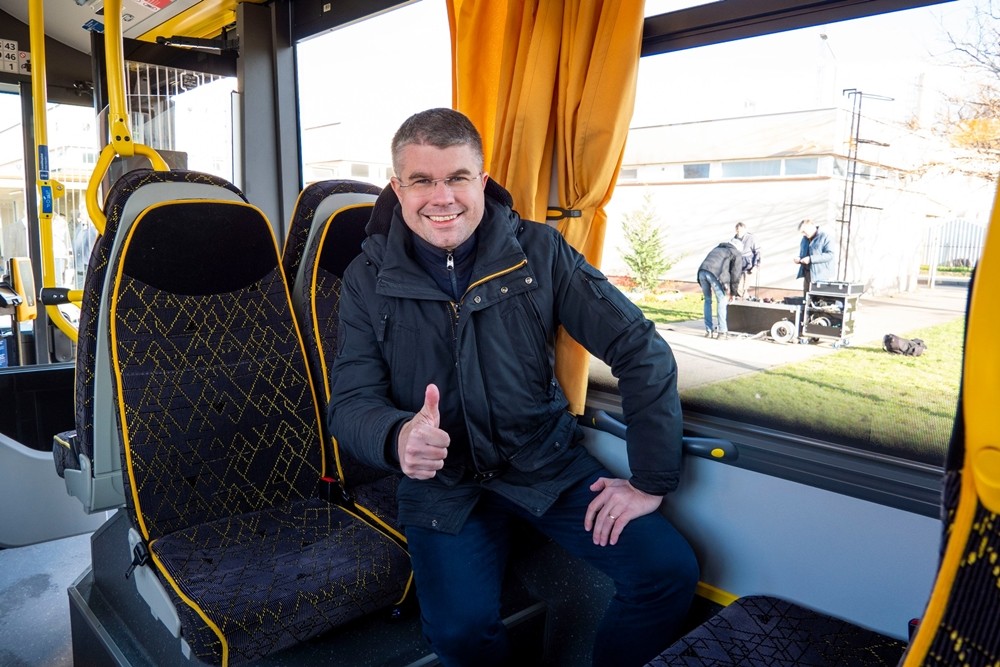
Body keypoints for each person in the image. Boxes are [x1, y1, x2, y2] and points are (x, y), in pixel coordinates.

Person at [326, 108, 698, 667]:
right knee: (460, 634)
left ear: (482, 180)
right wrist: (397, 437)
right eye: (422, 181)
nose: (442, 198)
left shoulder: (540, 251)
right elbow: (351, 402)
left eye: (457, 178)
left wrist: (650, 480)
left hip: (544, 462)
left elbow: (640, 349)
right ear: (398, 188)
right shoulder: (366, 277)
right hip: (444, 485)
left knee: (667, 573)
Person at [696, 240, 742, 339]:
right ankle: (722, 332)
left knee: (707, 300)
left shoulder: (718, 248)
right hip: (715, 274)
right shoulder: (735, 252)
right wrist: (733, 293)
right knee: (721, 300)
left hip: (702, 272)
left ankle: (709, 331)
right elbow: (736, 274)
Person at [793, 218, 836, 296]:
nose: (803, 234)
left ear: (811, 227)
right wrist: (799, 259)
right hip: (807, 274)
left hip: (821, 276)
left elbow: (830, 255)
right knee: (806, 298)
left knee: (819, 299)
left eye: (804, 231)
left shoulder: (825, 237)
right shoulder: (804, 239)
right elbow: (804, 254)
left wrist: (811, 259)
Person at [732, 221, 760, 298]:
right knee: (738, 287)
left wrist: (756, 266)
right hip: (738, 266)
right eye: (737, 231)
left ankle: (744, 299)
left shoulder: (751, 238)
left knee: (743, 287)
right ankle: (743, 300)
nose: (739, 232)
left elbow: (758, 252)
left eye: (740, 230)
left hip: (748, 266)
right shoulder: (734, 239)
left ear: (745, 229)